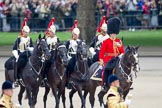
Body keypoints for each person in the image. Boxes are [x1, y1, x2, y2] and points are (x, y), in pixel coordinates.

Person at [99, 17, 124, 91]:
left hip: (117, 58)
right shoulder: (106, 41)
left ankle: (125, 82)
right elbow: (102, 52)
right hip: (109, 59)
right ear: (110, 33)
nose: (114, 35)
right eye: (112, 33)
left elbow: (122, 51)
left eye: (115, 33)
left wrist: (122, 55)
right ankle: (104, 84)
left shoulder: (118, 41)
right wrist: (101, 60)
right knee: (106, 69)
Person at [12, 18, 34, 87]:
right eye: (25, 32)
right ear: (23, 32)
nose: (26, 33)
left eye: (27, 32)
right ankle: (17, 79)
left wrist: (29, 48)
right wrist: (17, 56)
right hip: (21, 54)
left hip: (28, 54)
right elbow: (14, 49)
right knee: (18, 63)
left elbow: (32, 47)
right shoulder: (19, 39)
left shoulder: (29, 39)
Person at [41, 17, 60, 87]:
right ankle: (44, 77)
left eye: (51, 32)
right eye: (49, 32)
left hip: (55, 53)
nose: (50, 33)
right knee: (45, 64)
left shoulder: (57, 39)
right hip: (48, 54)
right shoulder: (47, 39)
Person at [65, 20, 82, 88]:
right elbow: (65, 50)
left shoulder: (80, 41)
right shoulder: (69, 42)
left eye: (77, 35)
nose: (76, 36)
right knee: (70, 67)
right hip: (70, 56)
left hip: (79, 56)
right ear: (72, 34)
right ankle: (68, 80)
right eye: (75, 34)